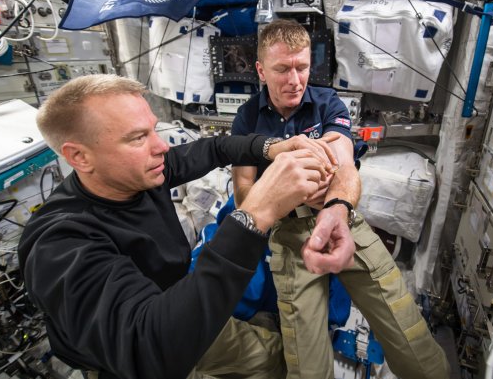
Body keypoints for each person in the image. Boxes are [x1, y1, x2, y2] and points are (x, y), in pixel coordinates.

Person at [17, 74, 353, 379]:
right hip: (145, 355)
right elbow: (151, 350)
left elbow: (213, 148)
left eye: (153, 129)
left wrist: (269, 146)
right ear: (80, 157)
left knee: (266, 358)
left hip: (185, 304)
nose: (161, 146)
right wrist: (254, 215)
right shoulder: (59, 244)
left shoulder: (141, 175)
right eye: (137, 138)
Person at [232, 20, 450, 379]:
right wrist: (282, 188)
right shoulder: (247, 119)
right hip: (288, 235)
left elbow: (344, 163)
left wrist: (336, 205)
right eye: (282, 69)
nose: (295, 80)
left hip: (339, 216)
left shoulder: (326, 103)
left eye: (302, 67)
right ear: (260, 70)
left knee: (407, 330)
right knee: (307, 364)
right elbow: (243, 190)